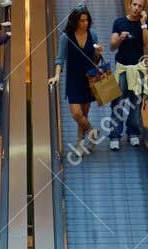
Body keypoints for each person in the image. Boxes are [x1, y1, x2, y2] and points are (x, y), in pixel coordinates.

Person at [108, 0, 148, 150]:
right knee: (117, 102)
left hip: (138, 70)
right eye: (135, 5)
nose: (137, 8)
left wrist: (144, 24)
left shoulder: (145, 23)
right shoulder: (119, 22)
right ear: (129, 5)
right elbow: (112, 46)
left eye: (140, 6)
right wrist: (120, 38)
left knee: (135, 102)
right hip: (122, 69)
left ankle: (133, 133)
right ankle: (115, 135)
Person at [60, 6, 102, 152]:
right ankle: (92, 132)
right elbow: (60, 59)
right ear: (74, 21)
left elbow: (95, 60)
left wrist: (97, 53)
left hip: (88, 78)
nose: (85, 23)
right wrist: (55, 75)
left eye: (86, 20)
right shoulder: (66, 37)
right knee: (76, 113)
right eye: (81, 20)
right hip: (73, 79)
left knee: (83, 115)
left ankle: (80, 143)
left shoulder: (93, 35)